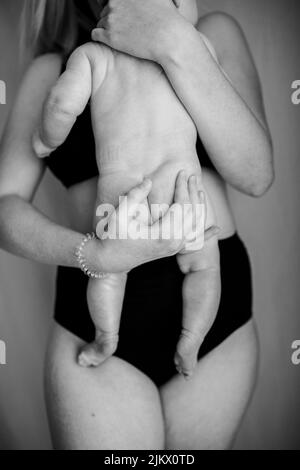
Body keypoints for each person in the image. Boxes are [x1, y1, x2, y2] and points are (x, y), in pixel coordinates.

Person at [0, 0, 273, 450]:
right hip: (103, 268)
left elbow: (257, 176)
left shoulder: (209, 37)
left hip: (214, 307)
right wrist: (92, 254)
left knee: (201, 275)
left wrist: (174, 40)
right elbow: (5, 206)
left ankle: (190, 341)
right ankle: (109, 337)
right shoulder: (66, 63)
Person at [33, 0, 222, 380]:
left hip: (123, 199)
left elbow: (60, 105)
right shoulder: (199, 49)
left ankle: (106, 336)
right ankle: (192, 337)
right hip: (183, 191)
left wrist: (43, 140)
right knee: (204, 268)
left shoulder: (93, 56)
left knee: (109, 275)